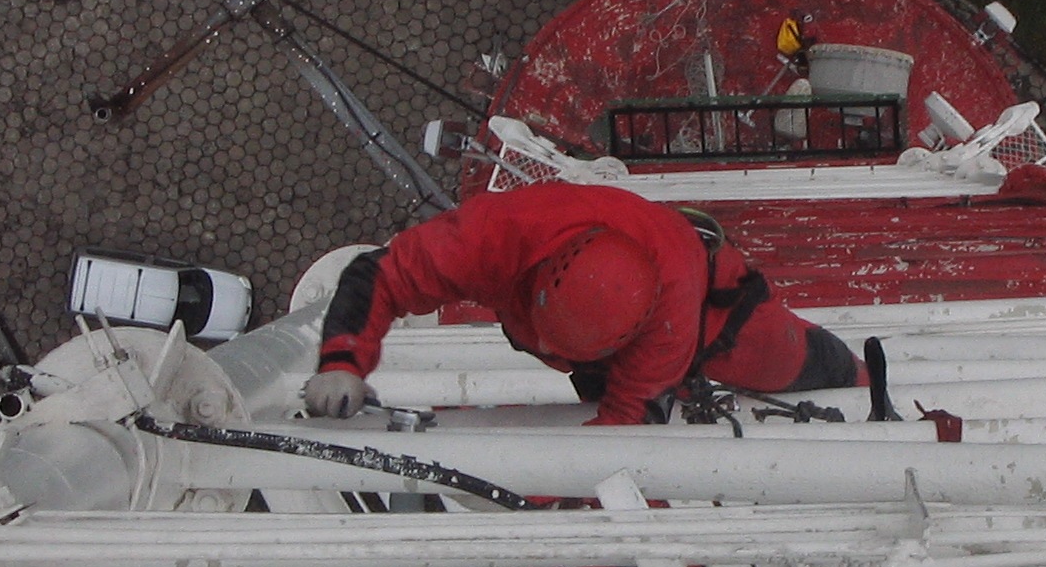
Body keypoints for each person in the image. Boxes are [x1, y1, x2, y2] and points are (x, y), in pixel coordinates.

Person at [301, 181, 861, 425]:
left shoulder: (672, 311)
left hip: (710, 304)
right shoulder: (495, 236)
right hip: (596, 331)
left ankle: (861, 381)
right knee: (601, 398)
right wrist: (342, 361)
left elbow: (627, 417)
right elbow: (383, 275)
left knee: (790, 357)